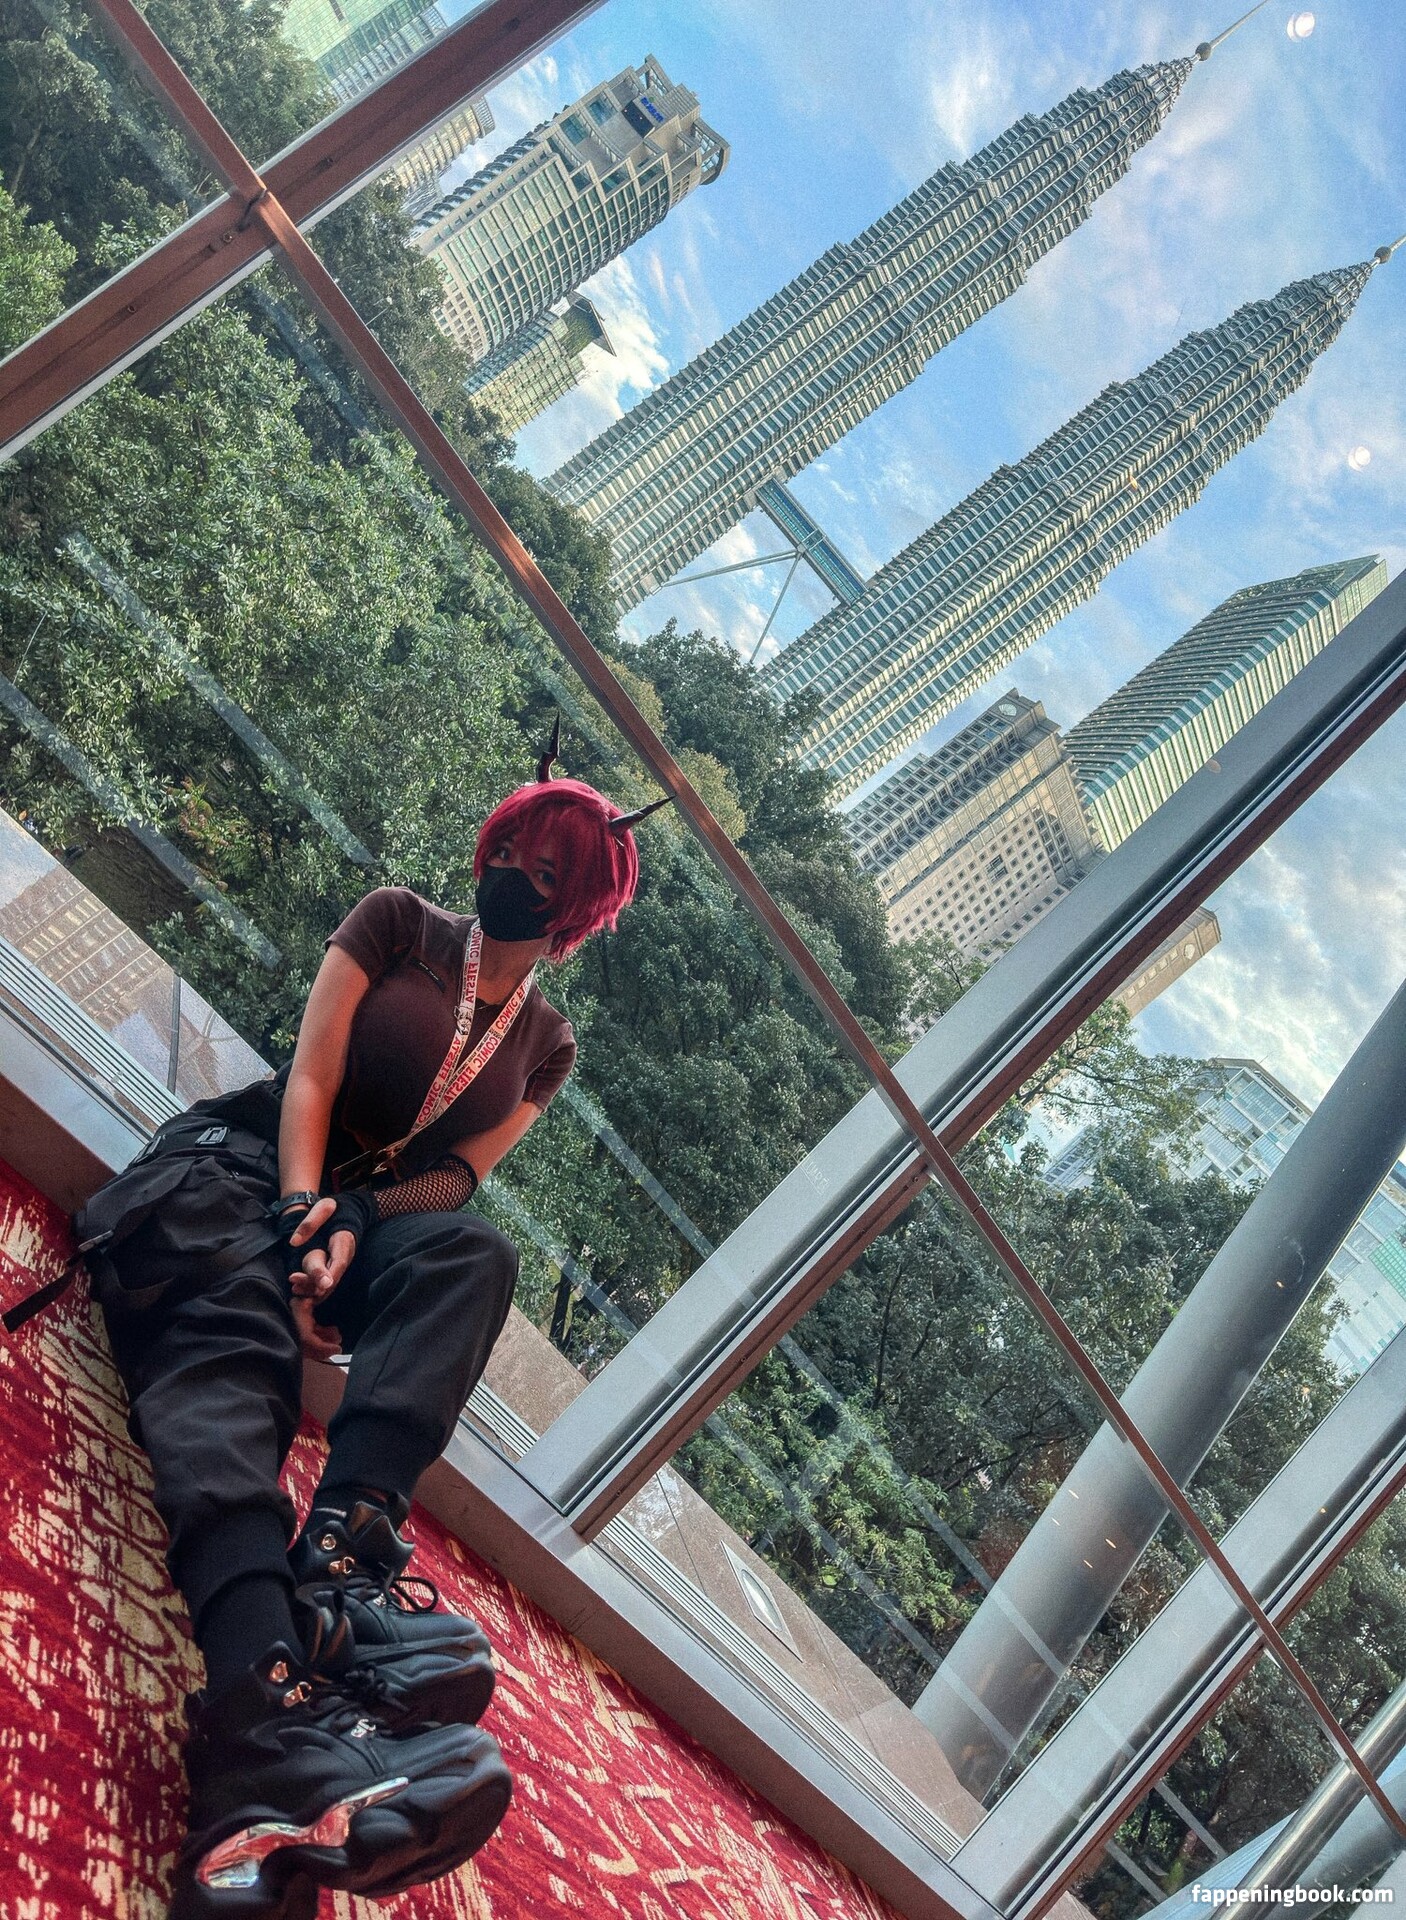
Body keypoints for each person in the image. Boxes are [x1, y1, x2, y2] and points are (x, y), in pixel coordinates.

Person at [66, 731, 663, 1919]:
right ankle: (264, 1707)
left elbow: (458, 1178)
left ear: (579, 910)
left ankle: (341, 1566)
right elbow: (311, 1078)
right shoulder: (398, 922)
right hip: (245, 1166)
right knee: (231, 1347)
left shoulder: (547, 1044)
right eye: (510, 853)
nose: (513, 878)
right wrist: (302, 1212)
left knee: (475, 1256)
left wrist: (356, 1218)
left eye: (547, 874)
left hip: (364, 1220)